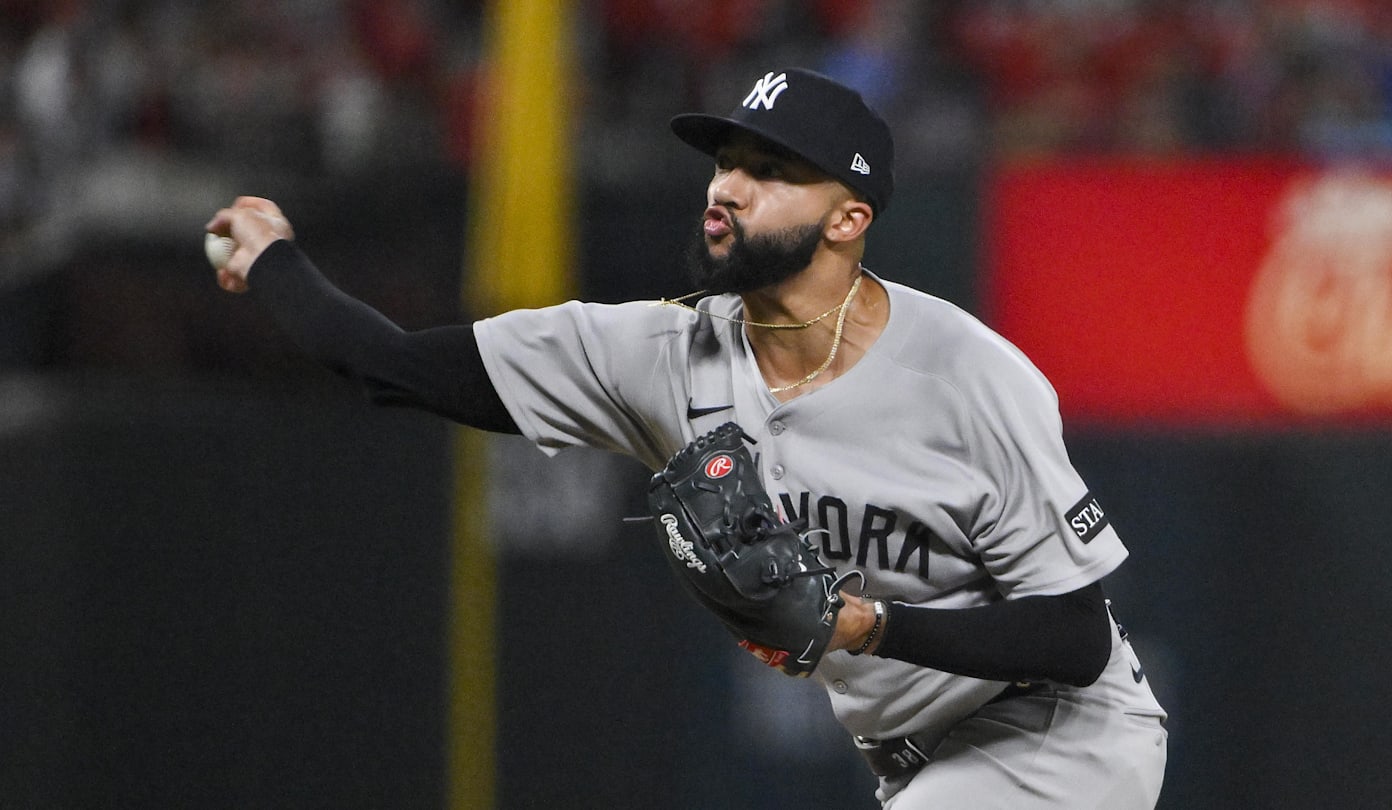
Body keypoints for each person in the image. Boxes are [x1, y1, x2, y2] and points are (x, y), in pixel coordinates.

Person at [208, 66, 1167, 809]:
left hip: (1060, 739)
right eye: (726, 161)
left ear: (849, 217)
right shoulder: (660, 355)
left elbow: (1075, 639)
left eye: (771, 171)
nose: (730, 187)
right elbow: (395, 366)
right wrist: (274, 259)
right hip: (917, 768)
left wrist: (864, 625)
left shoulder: (968, 376)